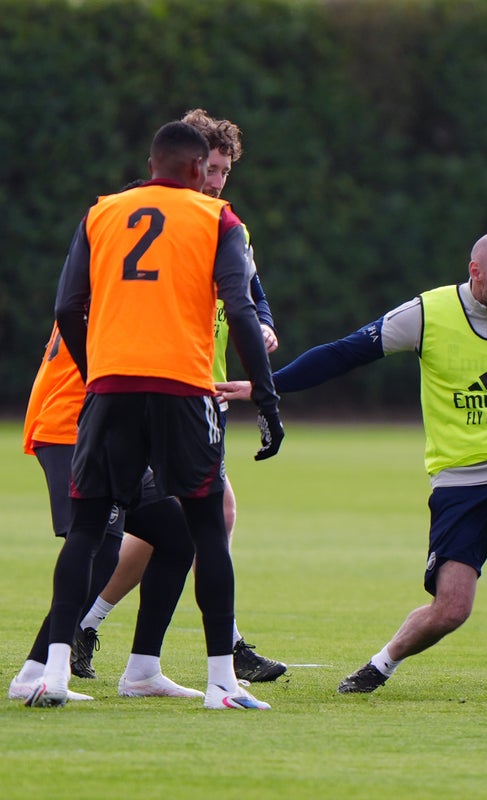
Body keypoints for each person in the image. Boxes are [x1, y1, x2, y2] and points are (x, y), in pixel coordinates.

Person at [219, 231, 487, 701]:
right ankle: (382, 663)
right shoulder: (428, 314)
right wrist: (266, 386)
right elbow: (346, 352)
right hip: (459, 481)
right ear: (475, 273)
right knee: (452, 608)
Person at [25, 121, 284, 710]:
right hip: (181, 390)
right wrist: (267, 400)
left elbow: (67, 305)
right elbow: (242, 308)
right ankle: (222, 682)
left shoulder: (102, 213)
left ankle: (54, 674)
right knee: (206, 528)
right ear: (196, 169)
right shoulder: (218, 220)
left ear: (150, 164)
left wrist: (96, 371)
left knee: (88, 533)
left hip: (110, 389)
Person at [10, 320, 199, 702]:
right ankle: (32, 673)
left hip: (109, 432)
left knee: (176, 535)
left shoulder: (109, 291)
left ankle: (143, 671)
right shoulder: (118, 296)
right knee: (99, 550)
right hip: (74, 429)